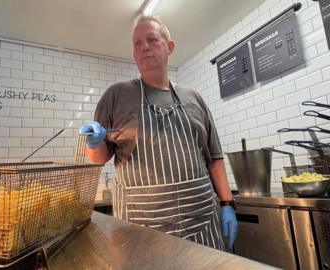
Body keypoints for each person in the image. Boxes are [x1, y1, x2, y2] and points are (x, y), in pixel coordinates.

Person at [79, 15, 238, 250]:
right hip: (140, 229)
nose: (144, 47)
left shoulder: (194, 98)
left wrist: (227, 204)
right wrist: (93, 143)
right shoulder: (116, 96)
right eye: (137, 43)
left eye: (152, 39)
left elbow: (214, 157)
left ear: (169, 47)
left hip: (201, 224)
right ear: (134, 54)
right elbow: (99, 158)